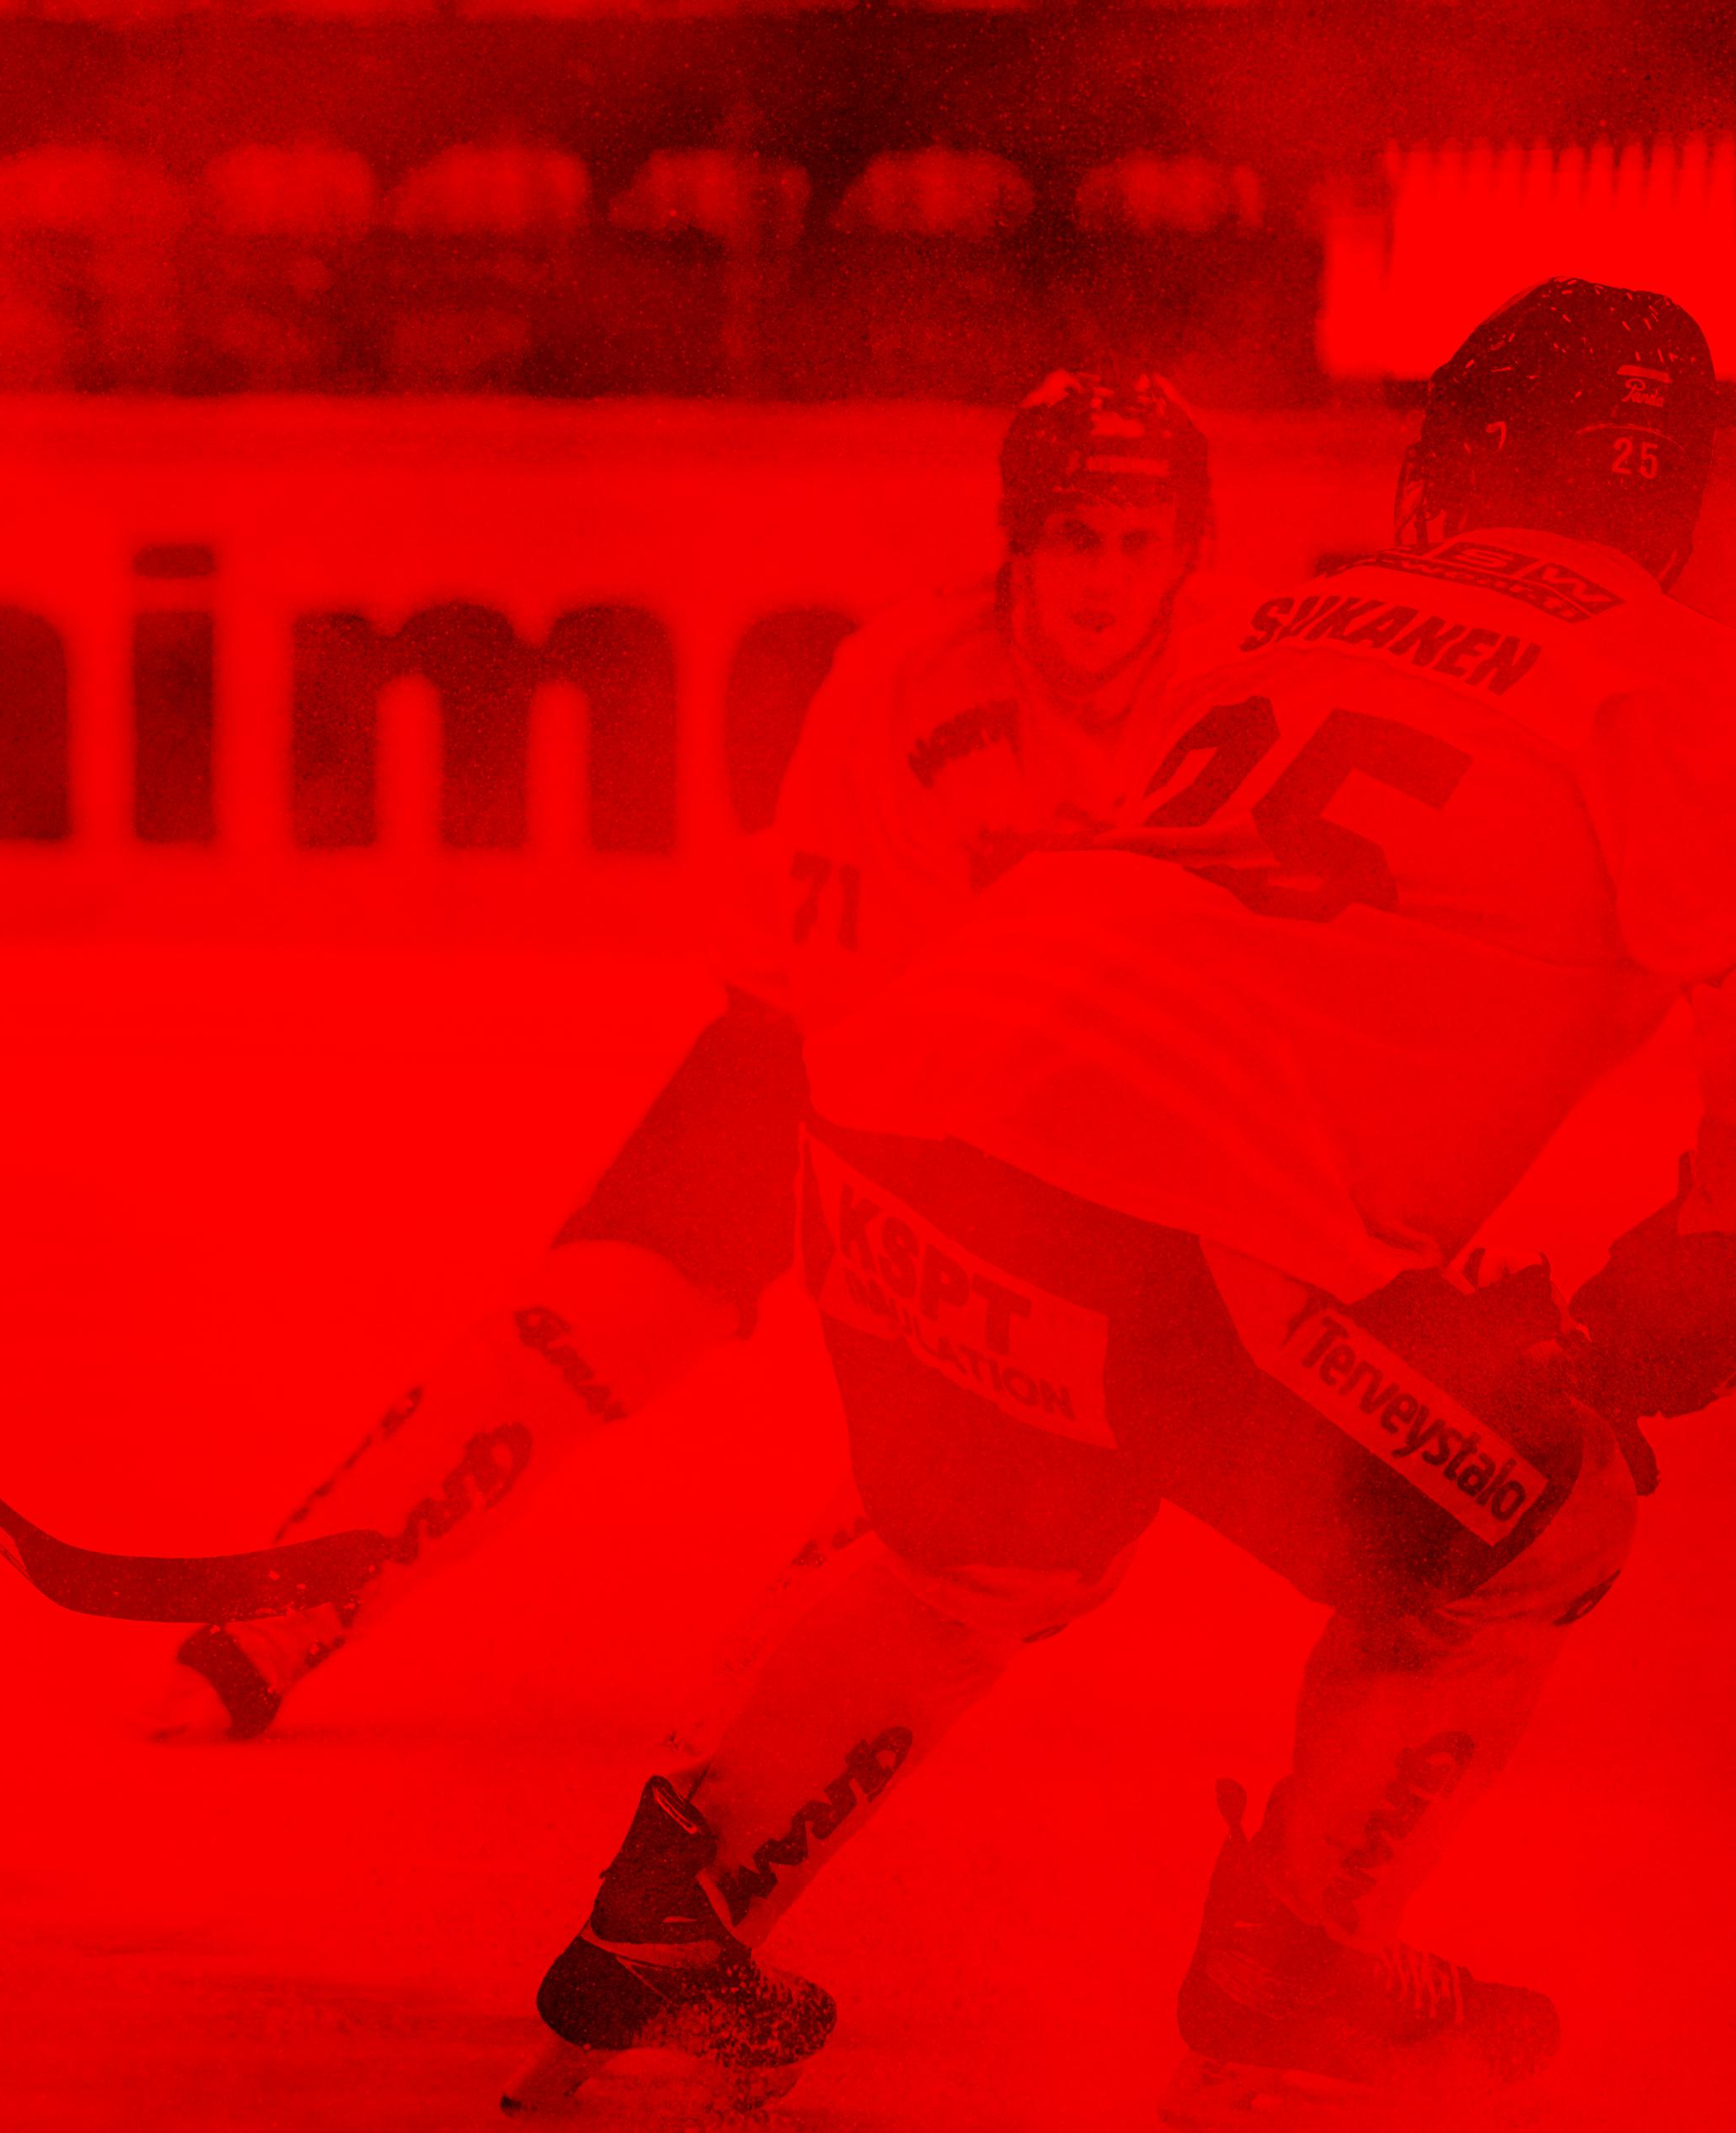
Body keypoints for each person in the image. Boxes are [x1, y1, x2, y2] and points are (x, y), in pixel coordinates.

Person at [506, 279, 1736, 2125]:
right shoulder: (1672, 678)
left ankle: (668, 1922)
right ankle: (1292, 1974)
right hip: (1173, 1226)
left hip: (893, 1139)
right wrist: (1705, 1252)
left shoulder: (1304, 614)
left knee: (986, 1552)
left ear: (1468, 459)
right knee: (1548, 1522)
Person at [161, 370, 1228, 1742]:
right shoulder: (901, 677)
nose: (1104, 579)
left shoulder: (1238, 687)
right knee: (593, 1321)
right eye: (1075, 536)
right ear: (1017, 539)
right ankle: (281, 1609)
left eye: (1139, 542)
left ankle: (778, 1703)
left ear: (1188, 553)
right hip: (818, 1049)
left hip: (1062, 1106)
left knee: (983, 1451)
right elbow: (862, 1022)